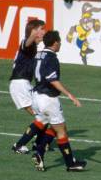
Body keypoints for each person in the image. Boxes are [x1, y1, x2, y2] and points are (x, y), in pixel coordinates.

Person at [15, 30, 87, 172]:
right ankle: (69, 163)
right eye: (59, 42)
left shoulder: (38, 54)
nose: (60, 44)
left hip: (36, 96)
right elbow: (53, 80)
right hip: (48, 99)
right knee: (61, 131)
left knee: (47, 124)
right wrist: (70, 95)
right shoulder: (52, 57)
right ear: (55, 43)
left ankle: (38, 152)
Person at [10, 19, 56, 155]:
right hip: (20, 84)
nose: (44, 31)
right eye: (42, 28)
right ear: (34, 31)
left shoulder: (33, 47)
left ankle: (39, 144)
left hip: (23, 84)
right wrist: (33, 34)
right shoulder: (27, 44)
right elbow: (27, 42)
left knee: (43, 117)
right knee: (42, 117)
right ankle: (21, 145)